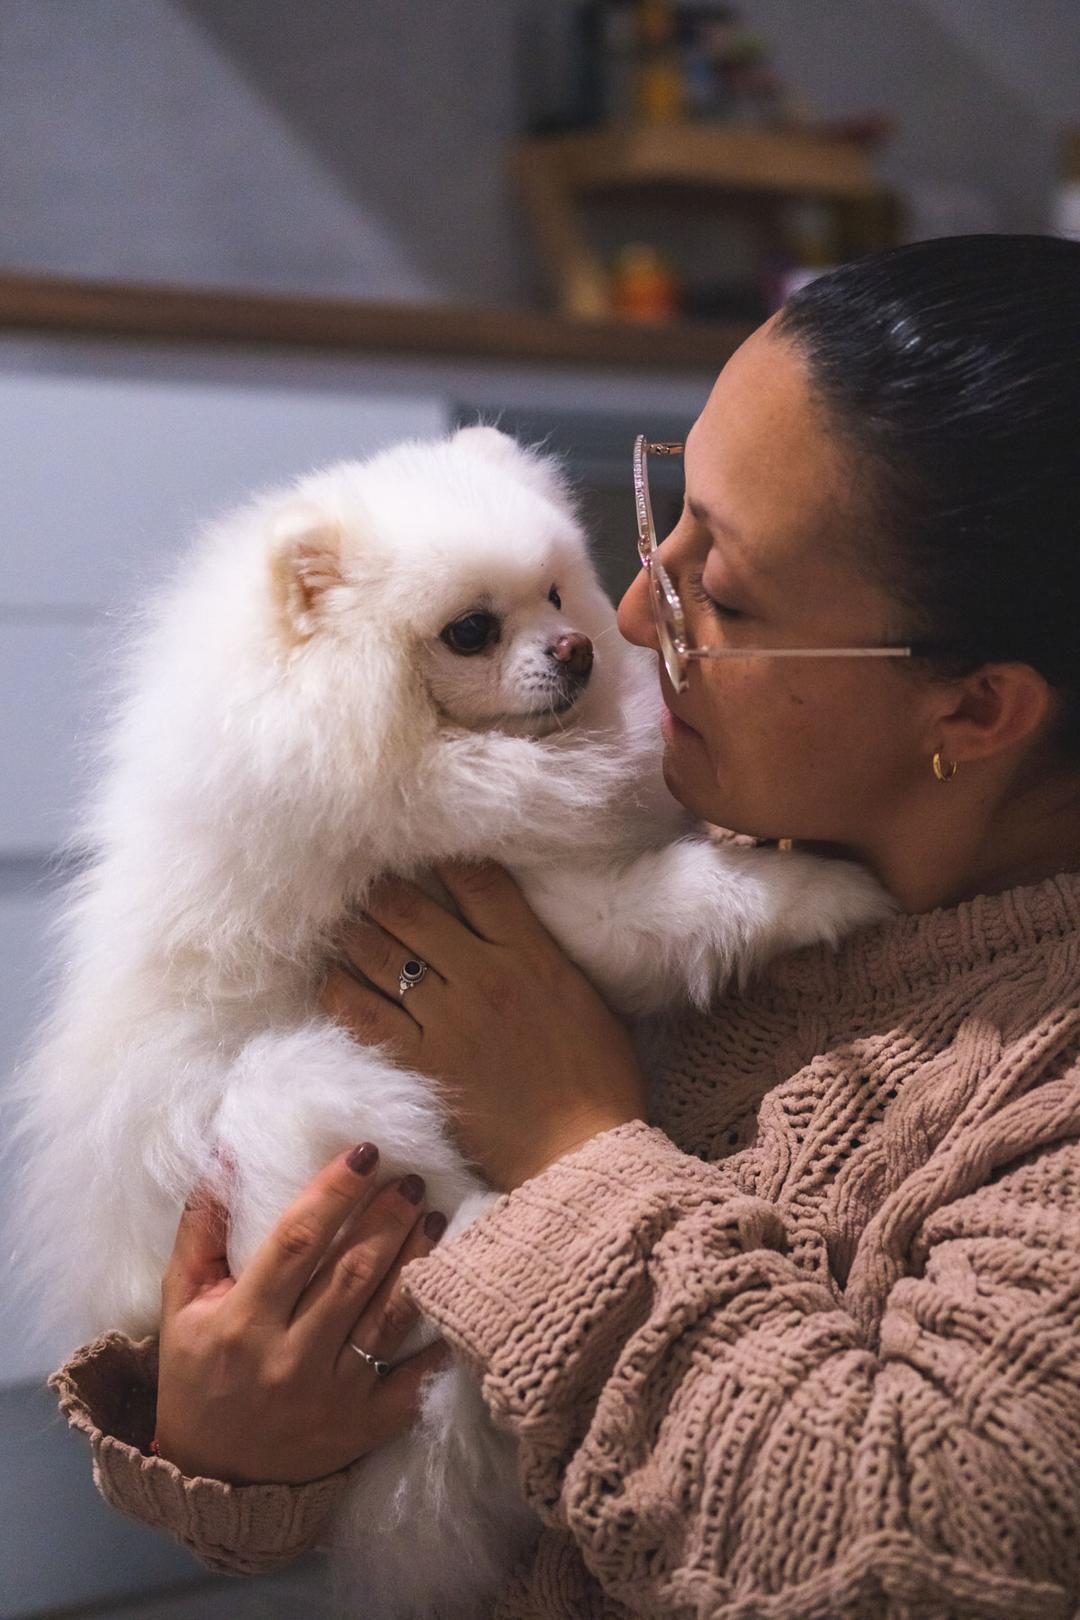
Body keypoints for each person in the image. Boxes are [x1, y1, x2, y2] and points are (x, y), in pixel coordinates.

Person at [51, 235, 1080, 1618]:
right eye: (668, 520)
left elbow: (907, 1549)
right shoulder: (704, 819)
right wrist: (236, 1445)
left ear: (973, 708)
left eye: (729, 589)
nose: (639, 614)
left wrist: (570, 1149)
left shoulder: (1035, 1087)